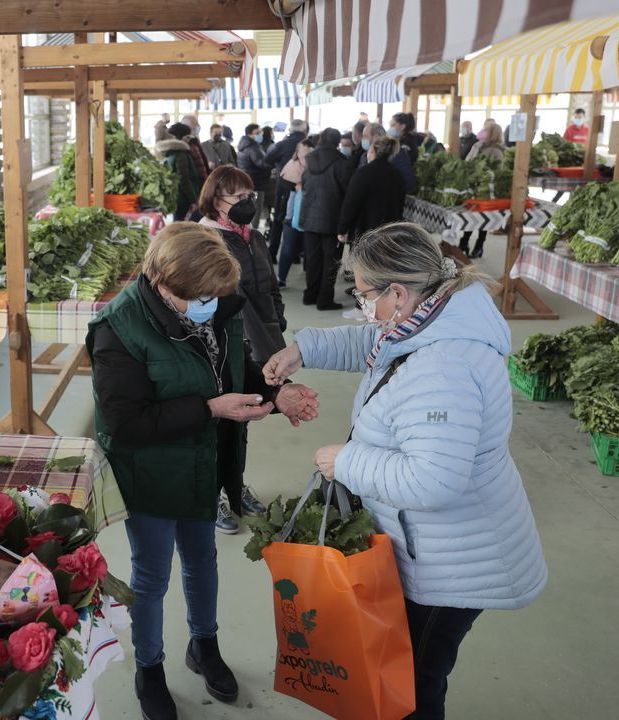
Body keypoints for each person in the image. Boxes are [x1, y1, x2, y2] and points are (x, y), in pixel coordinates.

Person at [262, 222, 547, 720]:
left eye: (364, 293)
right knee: (405, 672)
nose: (362, 305)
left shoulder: (444, 367)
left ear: (398, 292)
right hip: (436, 545)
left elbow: (432, 481)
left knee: (412, 681)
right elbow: (378, 349)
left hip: (452, 562)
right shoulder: (430, 319)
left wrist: (343, 460)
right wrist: (304, 349)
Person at [88, 223, 320, 720]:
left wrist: (278, 393)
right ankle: (149, 668)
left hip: (204, 463)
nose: (212, 305)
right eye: (202, 297)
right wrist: (211, 409)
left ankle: (204, 646)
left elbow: (234, 370)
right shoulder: (119, 327)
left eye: (218, 295)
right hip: (150, 471)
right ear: (165, 284)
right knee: (150, 578)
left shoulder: (215, 306)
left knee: (202, 560)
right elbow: (126, 423)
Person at [196, 167, 287, 533]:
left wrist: (277, 321)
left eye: (250, 196)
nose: (247, 204)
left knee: (245, 419)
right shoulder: (205, 239)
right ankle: (211, 492)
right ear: (216, 200)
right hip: (221, 342)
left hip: (260, 340)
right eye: (239, 198)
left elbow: (270, 286)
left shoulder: (256, 238)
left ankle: (234, 485)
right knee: (217, 420)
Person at [300, 128, 355, 311]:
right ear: (337, 142)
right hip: (332, 218)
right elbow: (348, 193)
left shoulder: (309, 159)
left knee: (313, 259)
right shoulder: (342, 163)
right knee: (330, 261)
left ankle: (310, 295)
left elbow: (305, 183)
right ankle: (324, 300)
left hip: (309, 217)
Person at [337, 136, 406, 246]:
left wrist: (342, 229)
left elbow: (351, 203)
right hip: (389, 234)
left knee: (362, 262)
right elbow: (400, 205)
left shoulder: (363, 173)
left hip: (364, 232)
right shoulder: (398, 175)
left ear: (373, 151)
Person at [460, 123, 509, 258]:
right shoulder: (480, 145)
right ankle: (464, 242)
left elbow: (497, 170)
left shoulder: (496, 150)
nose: (483, 131)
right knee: (471, 216)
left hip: (487, 190)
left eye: (486, 130)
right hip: (476, 187)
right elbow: (468, 161)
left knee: (484, 219)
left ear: (493, 133)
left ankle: (479, 246)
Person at [264, 119, 308, 262]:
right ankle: (295, 255)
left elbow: (267, 160)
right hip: (303, 188)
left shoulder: (282, 144)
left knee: (278, 220)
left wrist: (279, 165)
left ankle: (272, 254)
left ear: (290, 129)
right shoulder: (310, 144)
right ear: (304, 130)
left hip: (283, 187)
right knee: (298, 221)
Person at [277, 135, 316, 286]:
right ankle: (281, 278)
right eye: (303, 153)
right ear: (297, 153)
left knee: (309, 249)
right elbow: (282, 193)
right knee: (287, 248)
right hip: (290, 216)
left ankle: (309, 276)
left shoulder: (315, 168)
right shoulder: (290, 168)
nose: (306, 157)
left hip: (311, 216)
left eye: (309, 154)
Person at [158, 123, 204, 220]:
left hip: (177, 198)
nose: (190, 140)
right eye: (187, 137)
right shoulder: (181, 155)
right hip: (183, 199)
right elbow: (184, 179)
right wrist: (193, 199)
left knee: (178, 222)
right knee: (182, 224)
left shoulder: (170, 153)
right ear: (180, 138)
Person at [237, 123, 273, 230]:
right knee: (255, 211)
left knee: (249, 210)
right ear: (249, 134)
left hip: (248, 181)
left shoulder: (243, 146)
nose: (260, 135)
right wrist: (272, 160)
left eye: (260, 133)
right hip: (256, 183)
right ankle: (252, 236)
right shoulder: (253, 147)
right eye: (257, 133)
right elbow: (262, 163)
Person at [364, 122, 416, 193]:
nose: (363, 139)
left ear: (376, 137)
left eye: (365, 136)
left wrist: (387, 191)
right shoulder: (364, 155)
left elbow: (409, 181)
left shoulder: (397, 153)